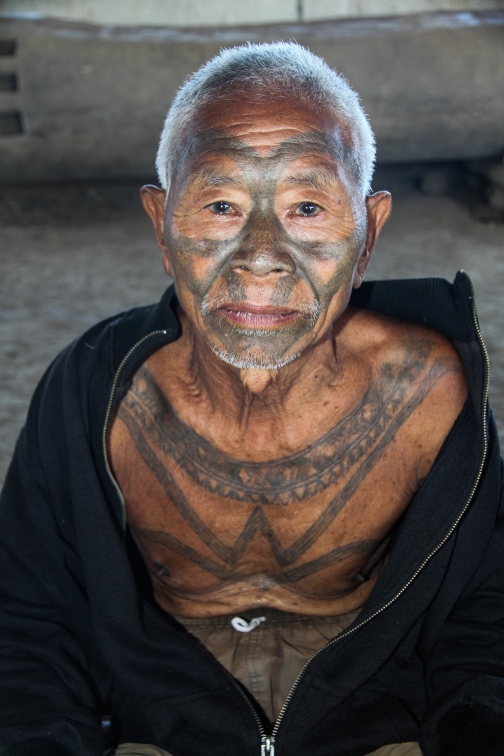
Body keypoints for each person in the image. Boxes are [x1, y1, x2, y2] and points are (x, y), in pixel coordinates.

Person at [0, 42, 503, 756]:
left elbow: (482, 616)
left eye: (306, 206)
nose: (261, 254)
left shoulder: (429, 395)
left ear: (368, 233)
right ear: (161, 225)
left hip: (373, 717)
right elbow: (29, 618)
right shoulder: (94, 395)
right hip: (157, 719)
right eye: (220, 204)